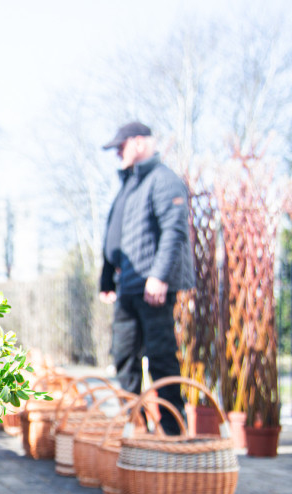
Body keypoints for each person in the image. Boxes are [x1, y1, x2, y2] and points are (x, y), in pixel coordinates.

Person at [99, 121, 195, 435]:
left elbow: (174, 231)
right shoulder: (131, 185)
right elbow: (114, 233)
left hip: (152, 287)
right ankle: (133, 430)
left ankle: (172, 433)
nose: (117, 153)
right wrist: (106, 279)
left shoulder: (163, 180)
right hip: (128, 286)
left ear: (139, 142)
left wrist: (159, 276)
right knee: (124, 358)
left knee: (161, 358)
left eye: (120, 146)